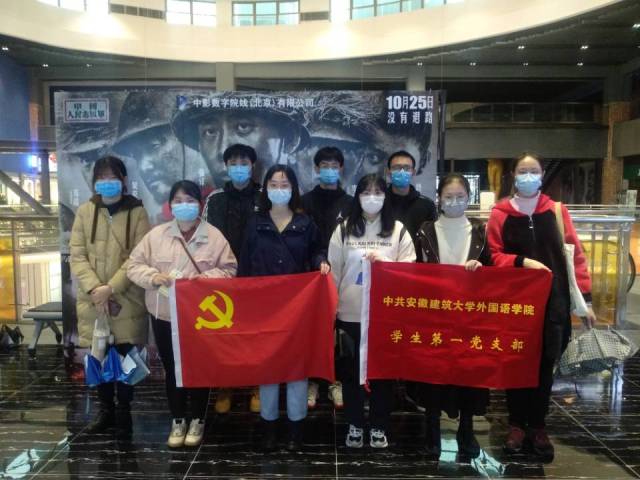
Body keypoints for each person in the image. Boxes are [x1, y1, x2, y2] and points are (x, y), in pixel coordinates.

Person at [486, 153, 596, 458]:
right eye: (522, 171)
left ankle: (537, 425)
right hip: (515, 305)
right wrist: (522, 262)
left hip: (553, 304)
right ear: (513, 175)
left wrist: (586, 300)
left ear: (542, 174)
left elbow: (575, 257)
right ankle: (516, 425)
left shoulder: (557, 211)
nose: (528, 176)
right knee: (515, 364)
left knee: (545, 366)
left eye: (533, 171)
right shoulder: (500, 214)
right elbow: (493, 256)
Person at [127, 180, 237, 448]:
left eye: (190, 200)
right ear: (170, 205)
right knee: (172, 368)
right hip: (165, 315)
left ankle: (198, 419)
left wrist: (206, 279)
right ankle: (178, 420)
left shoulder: (214, 236)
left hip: (201, 317)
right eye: (178, 201)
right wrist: (154, 277)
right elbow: (133, 266)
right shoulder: (156, 236)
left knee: (199, 367)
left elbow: (230, 269)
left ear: (200, 204)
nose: (184, 205)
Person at [238, 165, 330, 452]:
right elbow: (244, 265)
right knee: (267, 369)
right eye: (274, 184)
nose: (279, 189)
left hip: (297, 308)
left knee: (296, 369)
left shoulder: (305, 223)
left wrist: (321, 263)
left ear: (293, 189)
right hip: (263, 308)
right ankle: (269, 429)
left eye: (285, 184)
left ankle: (295, 431)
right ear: (266, 188)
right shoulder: (255, 223)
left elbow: (317, 251)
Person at [328, 173, 416, 449]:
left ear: (385, 197)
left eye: (378, 192)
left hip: (384, 315)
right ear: (357, 196)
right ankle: (354, 423)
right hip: (350, 314)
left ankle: (379, 425)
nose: (372, 197)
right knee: (350, 375)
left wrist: (386, 263)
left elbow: (410, 271)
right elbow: (334, 272)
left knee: (382, 374)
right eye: (366, 192)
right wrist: (332, 311)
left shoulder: (398, 230)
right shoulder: (343, 229)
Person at [69, 155, 150, 435]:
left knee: (127, 358)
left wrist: (110, 288)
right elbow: (77, 255)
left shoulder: (137, 213)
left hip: (126, 299)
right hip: (93, 301)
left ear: (124, 180)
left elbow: (139, 257)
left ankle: (124, 411)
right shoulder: (85, 211)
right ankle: (106, 411)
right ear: (94, 182)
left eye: (113, 177)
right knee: (99, 355)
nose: (107, 183)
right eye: (101, 178)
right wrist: (95, 288)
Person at [415, 173, 491, 459]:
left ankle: (466, 428)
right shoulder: (425, 230)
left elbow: (494, 270)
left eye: (460, 197)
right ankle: (432, 426)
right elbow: (413, 269)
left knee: (468, 371)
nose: (454, 201)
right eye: (448, 196)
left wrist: (481, 269)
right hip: (435, 313)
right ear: (439, 198)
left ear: (469, 198)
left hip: (470, 314)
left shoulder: (480, 231)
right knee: (433, 373)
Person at [203, 143, 262, 415]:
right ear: (226, 166)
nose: (239, 167)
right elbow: (205, 238)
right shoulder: (215, 198)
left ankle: (257, 385)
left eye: (244, 163)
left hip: (257, 277)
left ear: (252, 166)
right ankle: (226, 386)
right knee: (226, 336)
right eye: (234, 163)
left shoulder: (264, 196)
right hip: (223, 277)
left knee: (257, 335)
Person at [301, 146, 353, 411]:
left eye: (334, 166)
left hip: (341, 274)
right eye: (324, 166)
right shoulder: (304, 202)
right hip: (310, 276)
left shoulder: (350, 202)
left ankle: (335, 381)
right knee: (312, 331)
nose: (329, 170)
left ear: (341, 169)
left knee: (337, 330)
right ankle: (312, 381)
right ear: (316, 168)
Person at [171, 92, 310, 189]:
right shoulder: (210, 205)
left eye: (243, 127)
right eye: (210, 131)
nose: (223, 150)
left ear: (290, 139)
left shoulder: (301, 207)